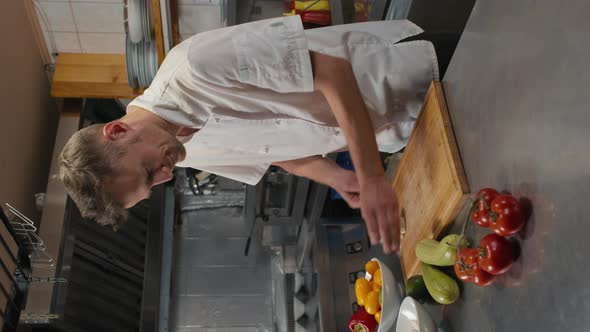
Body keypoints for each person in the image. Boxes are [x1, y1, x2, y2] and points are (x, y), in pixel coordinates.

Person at [59, 16, 444, 254]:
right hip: (399, 130)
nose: (163, 177)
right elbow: (274, 152)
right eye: (152, 185)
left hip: (413, 72)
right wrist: (338, 177)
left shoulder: (195, 66)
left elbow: (334, 74)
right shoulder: (181, 152)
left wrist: (374, 175)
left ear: (117, 130)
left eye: (147, 172)